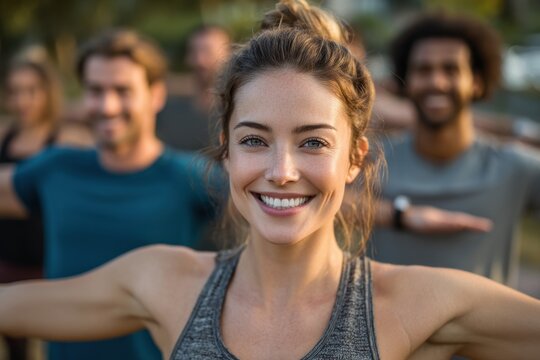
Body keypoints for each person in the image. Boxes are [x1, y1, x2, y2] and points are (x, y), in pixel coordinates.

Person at [1, 1, 539, 359]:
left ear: (355, 158)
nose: (281, 173)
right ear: (226, 154)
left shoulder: (419, 302)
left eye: (313, 142)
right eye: (255, 140)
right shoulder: (163, 282)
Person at [0, 30, 217, 360]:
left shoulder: (189, 176)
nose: (107, 105)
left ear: (156, 95)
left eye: (122, 90)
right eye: (95, 90)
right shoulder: (57, 167)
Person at [370, 13, 540, 286]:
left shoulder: (516, 168)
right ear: (406, 81)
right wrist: (400, 215)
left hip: (484, 329)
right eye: (423, 70)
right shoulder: (373, 160)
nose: (436, 82)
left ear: (477, 82)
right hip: (385, 328)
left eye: (451, 69)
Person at [0, 53, 93, 360]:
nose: (22, 100)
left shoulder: (69, 139)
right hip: (7, 260)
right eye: (15, 91)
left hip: (50, 265)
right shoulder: (4, 135)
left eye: (32, 90)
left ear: (48, 92)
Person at [156, 25, 231, 150]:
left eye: (207, 51)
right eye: (193, 51)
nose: (199, 60)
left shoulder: (240, 107)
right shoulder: (168, 106)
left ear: (229, 55)